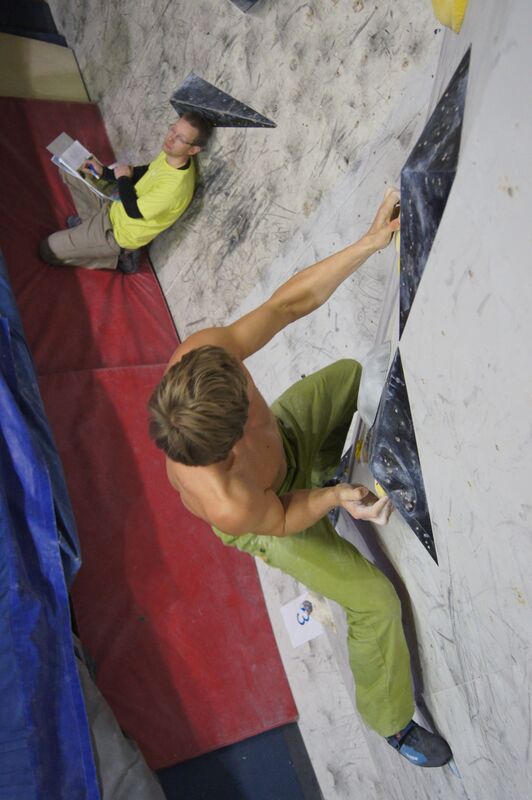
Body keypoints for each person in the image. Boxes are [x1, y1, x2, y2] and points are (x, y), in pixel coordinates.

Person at [148, 189, 452, 768]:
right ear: (229, 448)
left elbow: (286, 306)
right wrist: (335, 496)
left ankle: (324, 469)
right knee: (375, 602)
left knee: (350, 376)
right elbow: (285, 515)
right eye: (246, 402)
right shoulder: (229, 501)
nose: (250, 379)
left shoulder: (202, 357)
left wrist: (367, 243)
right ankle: (390, 722)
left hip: (283, 450)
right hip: (273, 512)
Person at [39, 112, 213, 274]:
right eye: (173, 129)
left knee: (47, 249)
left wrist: (122, 178)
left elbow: (133, 211)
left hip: (117, 234)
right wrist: (105, 172)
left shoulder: (174, 188)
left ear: (193, 150)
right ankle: (87, 226)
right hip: (113, 206)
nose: (170, 138)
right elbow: (146, 171)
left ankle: (120, 257)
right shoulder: (172, 154)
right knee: (71, 170)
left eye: (180, 138)